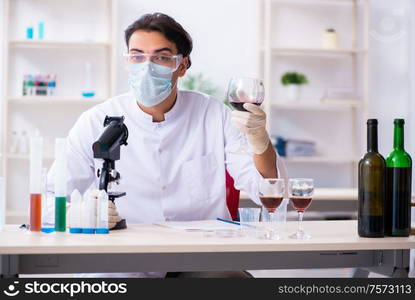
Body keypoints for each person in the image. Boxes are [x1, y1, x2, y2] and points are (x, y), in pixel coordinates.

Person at [48, 12, 287, 278]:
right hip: (122, 258)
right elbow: (49, 199)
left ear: (182, 66)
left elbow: (270, 193)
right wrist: (80, 212)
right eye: (137, 56)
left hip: (201, 258)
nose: (147, 66)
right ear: (127, 61)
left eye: (161, 57)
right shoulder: (95, 121)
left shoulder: (213, 114)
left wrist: (260, 142)